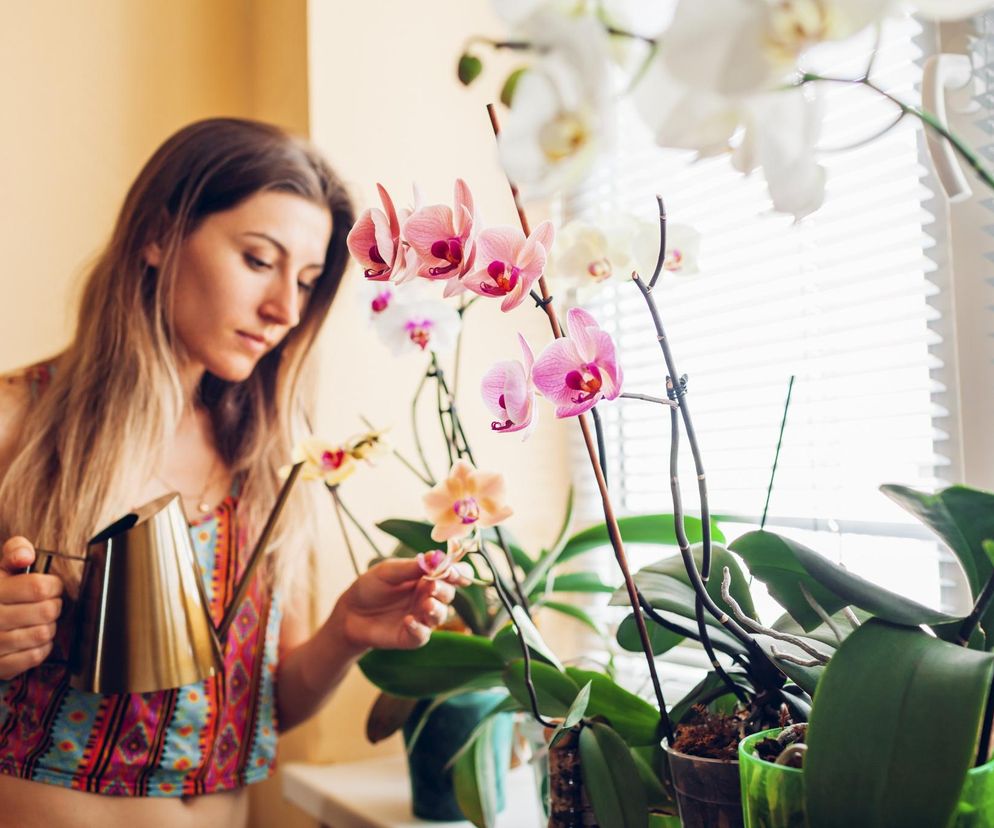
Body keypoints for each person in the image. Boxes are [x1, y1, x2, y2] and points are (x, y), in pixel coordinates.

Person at [0, 117, 467, 827]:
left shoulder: (267, 461)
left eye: (307, 282)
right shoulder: (19, 423)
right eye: (257, 259)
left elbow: (269, 704)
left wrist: (345, 630)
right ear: (158, 236)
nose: (284, 309)